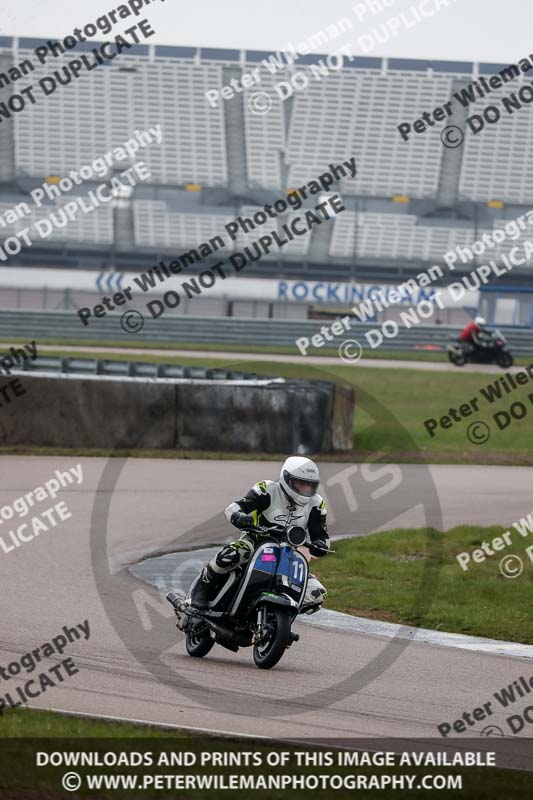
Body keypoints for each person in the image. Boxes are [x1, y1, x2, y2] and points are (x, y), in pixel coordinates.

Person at [190, 456, 330, 613]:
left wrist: (321, 545)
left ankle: (281, 614)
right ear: (287, 479)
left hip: (288, 552)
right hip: (255, 541)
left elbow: (321, 535)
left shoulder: (317, 504)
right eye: (301, 483)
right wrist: (240, 517)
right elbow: (234, 507)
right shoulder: (267, 489)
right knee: (232, 554)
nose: (305, 489)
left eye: (309, 485)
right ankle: (203, 586)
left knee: (317, 593)